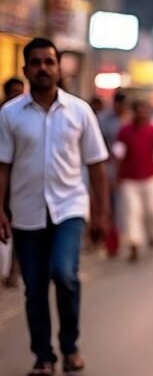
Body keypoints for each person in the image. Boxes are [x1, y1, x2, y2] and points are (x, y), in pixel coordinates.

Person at [0, 38, 110, 375]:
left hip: (69, 210)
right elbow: (2, 166)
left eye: (49, 62)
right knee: (34, 287)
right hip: (27, 212)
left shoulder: (79, 111)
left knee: (64, 274)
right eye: (36, 62)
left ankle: (70, 346)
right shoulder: (9, 114)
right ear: (25, 69)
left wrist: (102, 216)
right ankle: (43, 357)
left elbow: (96, 166)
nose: (43, 68)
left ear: (58, 67)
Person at [114, 99, 153, 262]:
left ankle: (152, 233)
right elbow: (119, 154)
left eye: (144, 110)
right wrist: (117, 174)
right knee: (132, 212)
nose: (141, 114)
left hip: (151, 178)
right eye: (139, 110)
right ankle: (134, 244)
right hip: (129, 180)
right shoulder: (124, 131)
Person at [97, 89, 128, 258]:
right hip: (106, 167)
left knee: (119, 208)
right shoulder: (103, 119)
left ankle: (114, 242)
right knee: (105, 205)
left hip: (124, 171)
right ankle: (105, 241)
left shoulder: (128, 120)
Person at [1, 77, 25, 290]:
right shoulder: (5, 116)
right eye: (12, 92)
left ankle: (13, 270)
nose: (16, 96)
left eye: (20, 92)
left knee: (17, 226)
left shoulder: (26, 115)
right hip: (3, 181)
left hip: (20, 184)